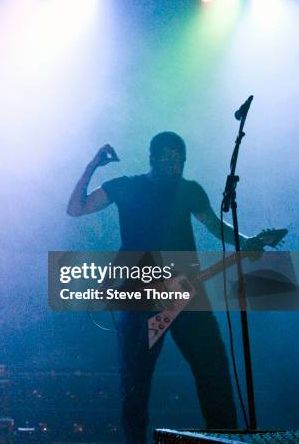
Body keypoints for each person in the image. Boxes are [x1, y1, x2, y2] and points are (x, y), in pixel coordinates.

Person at [67, 132, 255, 443]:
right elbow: (76, 208)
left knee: (214, 371)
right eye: (167, 157)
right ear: (152, 158)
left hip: (185, 291)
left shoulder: (190, 191)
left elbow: (215, 225)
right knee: (135, 384)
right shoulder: (126, 186)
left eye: (179, 158)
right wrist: (92, 166)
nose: (174, 164)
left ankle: (227, 439)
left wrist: (247, 242)